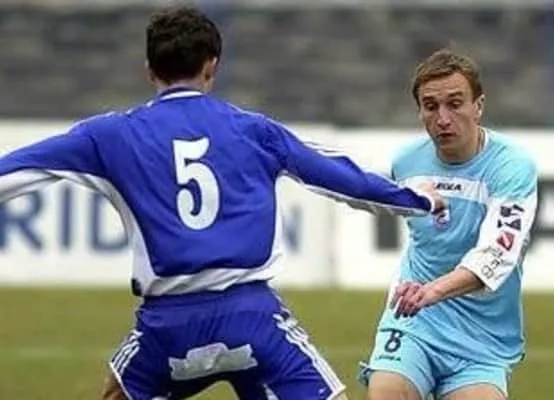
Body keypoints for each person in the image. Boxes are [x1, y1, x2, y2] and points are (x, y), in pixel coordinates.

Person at [0, 6, 445, 400]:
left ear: (150, 69)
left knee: (119, 390)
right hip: (252, 319)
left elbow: (18, 169)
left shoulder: (108, 135)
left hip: (167, 328)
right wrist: (419, 200)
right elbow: (341, 178)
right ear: (212, 65)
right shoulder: (254, 130)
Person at [359, 48, 538, 400]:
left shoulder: (512, 167)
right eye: (431, 106)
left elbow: (496, 255)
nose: (443, 118)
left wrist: (434, 291)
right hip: (414, 319)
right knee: (387, 391)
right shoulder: (406, 162)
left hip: (482, 334)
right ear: (420, 112)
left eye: (455, 104)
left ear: (478, 106)